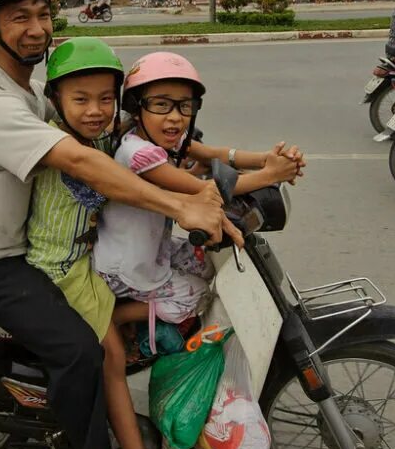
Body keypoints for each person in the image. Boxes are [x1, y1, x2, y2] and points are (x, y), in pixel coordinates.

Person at [0, 0, 230, 449]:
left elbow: (114, 130)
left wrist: (207, 159)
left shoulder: (33, 92)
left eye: (43, 15)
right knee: (82, 351)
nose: (35, 28)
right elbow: (78, 159)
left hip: (29, 248)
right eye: (18, 17)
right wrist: (179, 205)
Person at [27, 38, 218, 449]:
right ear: (55, 101)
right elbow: (133, 180)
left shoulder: (105, 137)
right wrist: (194, 196)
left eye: (106, 99)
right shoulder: (61, 144)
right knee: (109, 353)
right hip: (60, 269)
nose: (95, 110)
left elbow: (169, 151)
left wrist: (221, 161)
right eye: (81, 99)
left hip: (87, 260)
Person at [92, 51, 303, 336]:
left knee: (208, 264)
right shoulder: (137, 153)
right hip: (126, 266)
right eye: (161, 105)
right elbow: (206, 190)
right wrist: (270, 175)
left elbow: (213, 154)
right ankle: (116, 319)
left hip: (152, 249)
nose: (175, 117)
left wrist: (267, 159)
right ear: (136, 107)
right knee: (197, 293)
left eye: (184, 106)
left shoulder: (160, 137)